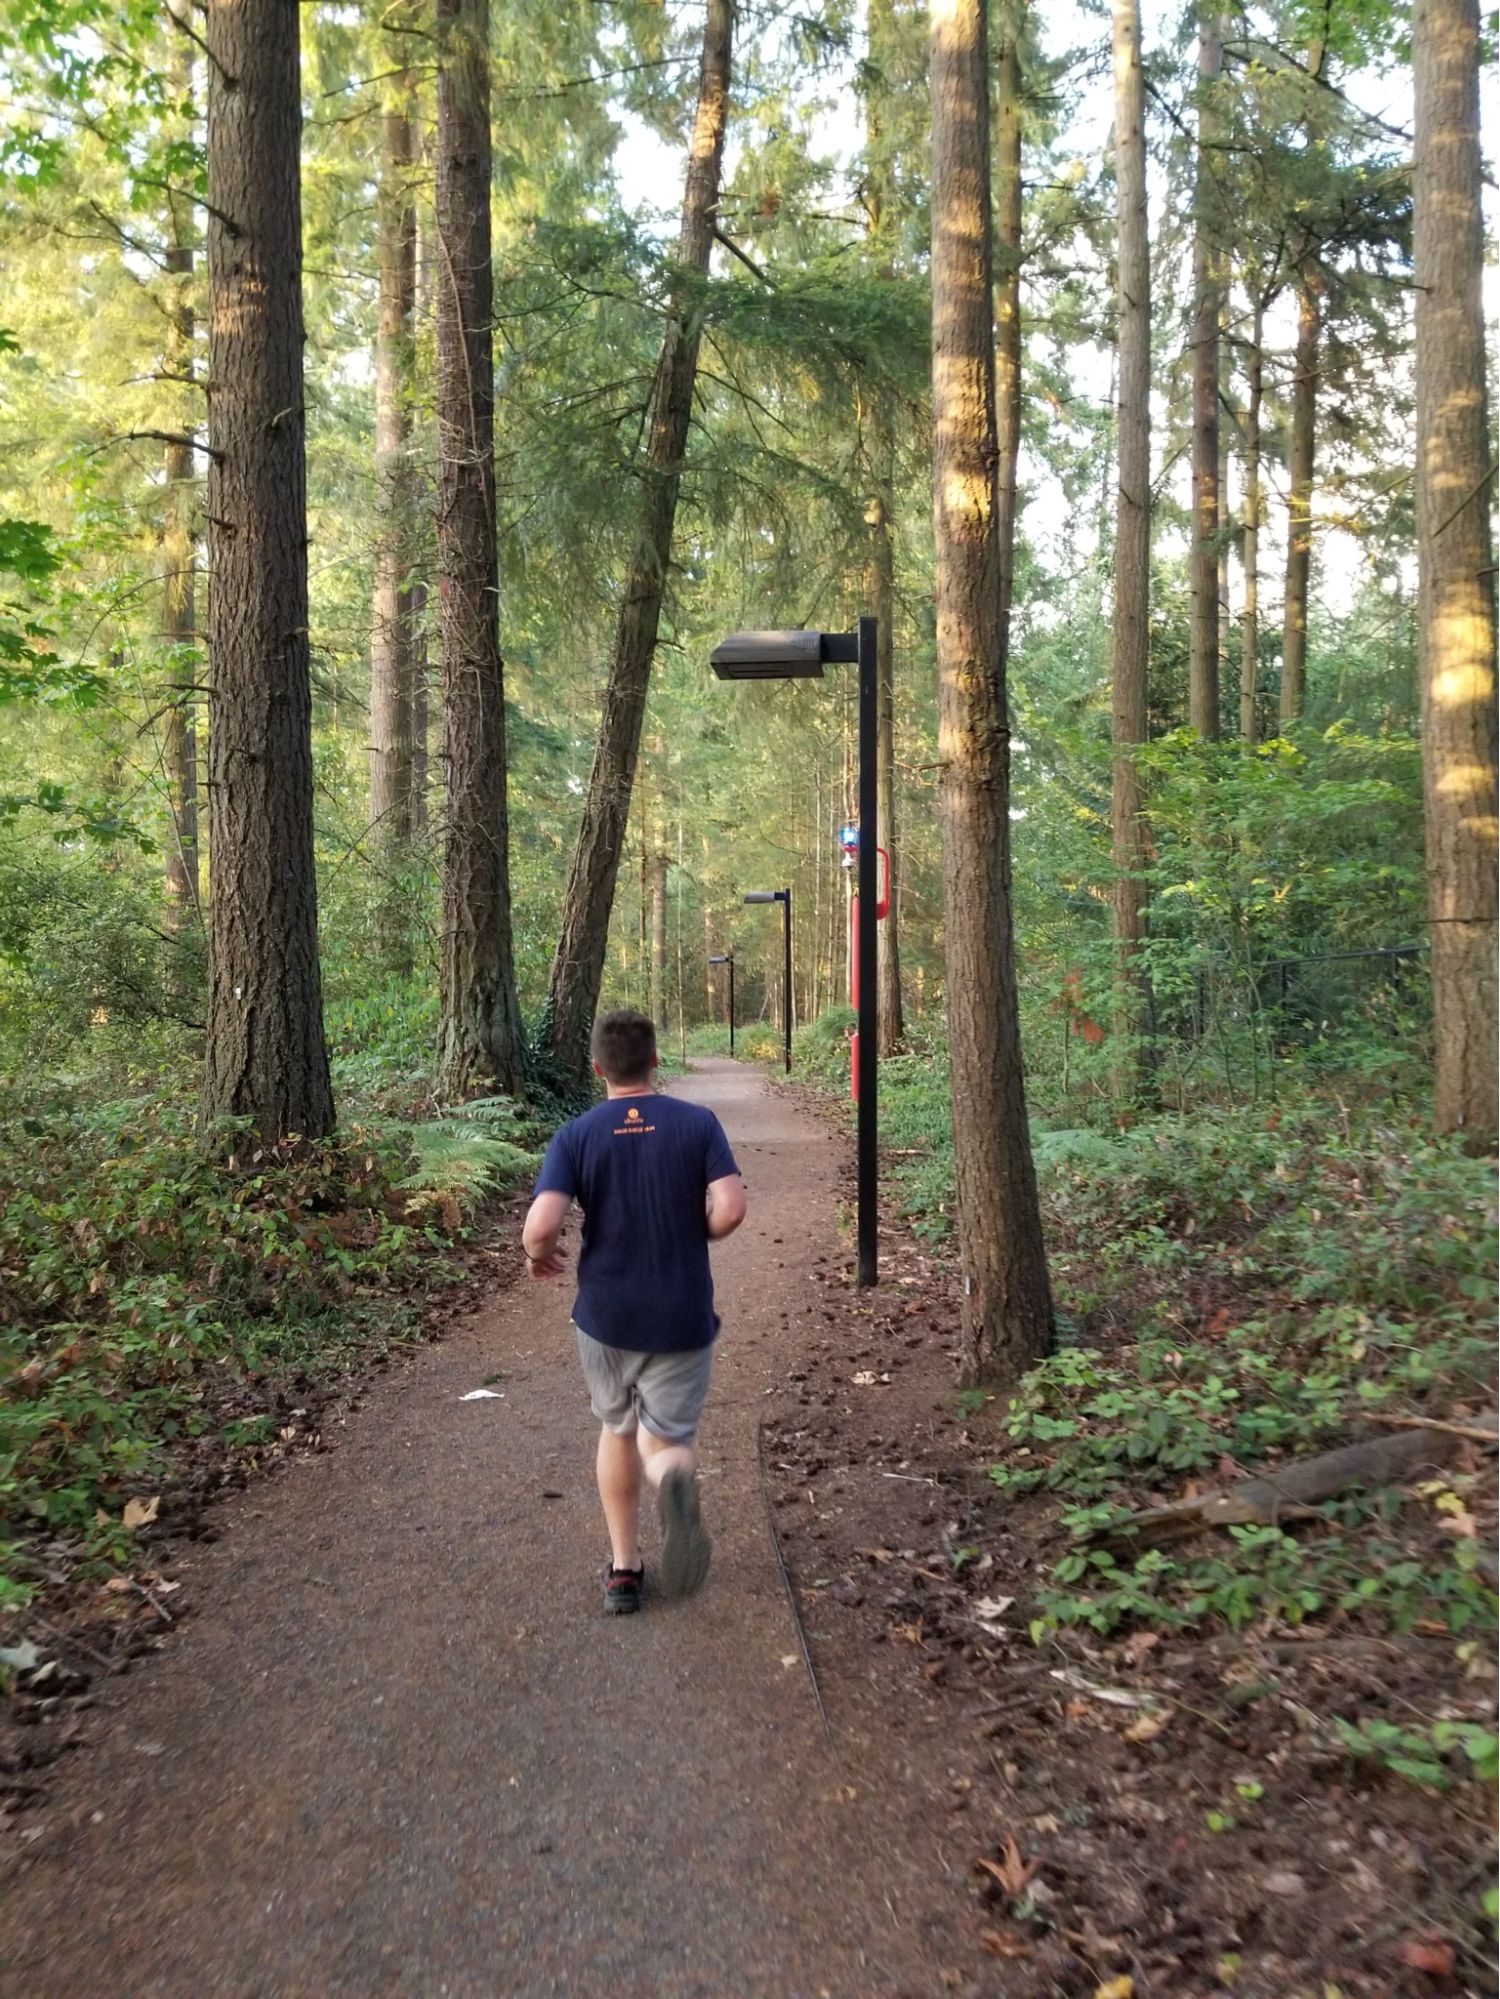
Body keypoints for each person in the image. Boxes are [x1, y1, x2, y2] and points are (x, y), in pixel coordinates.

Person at [521, 1009, 747, 1614]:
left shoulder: (577, 1134)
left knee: (616, 1427)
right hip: (681, 1313)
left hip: (606, 1315)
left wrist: (539, 1256)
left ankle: (624, 1570)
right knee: (667, 1436)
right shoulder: (697, 1124)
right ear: (655, 1061)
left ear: (598, 1069)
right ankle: (671, 1475)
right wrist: (695, 1228)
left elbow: (541, 1225)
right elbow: (730, 1209)